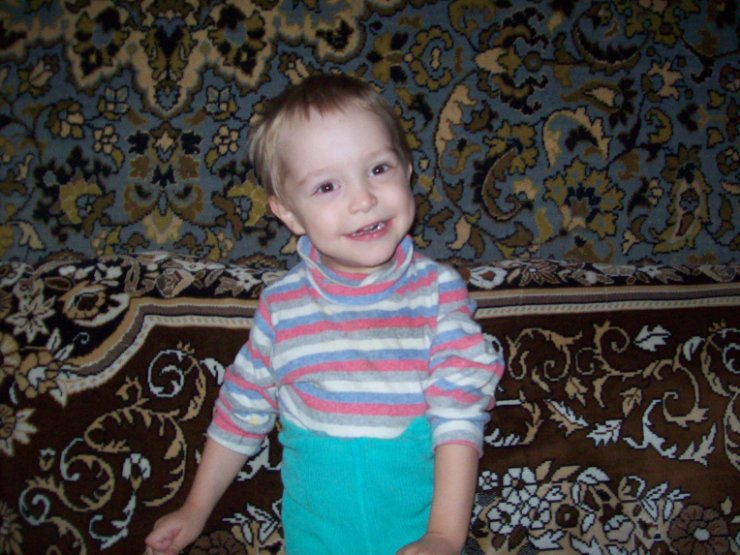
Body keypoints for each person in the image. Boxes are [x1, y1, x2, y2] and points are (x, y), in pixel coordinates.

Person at [145, 73, 505, 555]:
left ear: (407, 171)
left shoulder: (437, 293)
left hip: (423, 538)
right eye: (328, 185)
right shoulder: (281, 308)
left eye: (378, 169)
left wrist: (444, 536)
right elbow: (241, 412)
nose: (363, 199)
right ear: (289, 214)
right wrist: (194, 509)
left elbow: (459, 414)